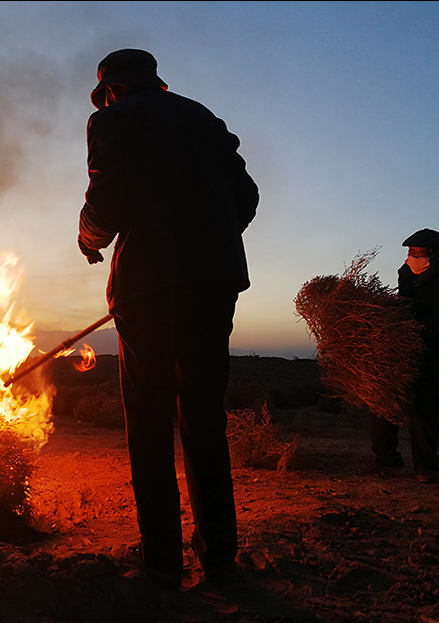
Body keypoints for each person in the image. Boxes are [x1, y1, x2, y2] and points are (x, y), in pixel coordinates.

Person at [77, 49, 258, 589]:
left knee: (150, 422)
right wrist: (207, 241)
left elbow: (104, 198)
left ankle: (161, 560)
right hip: (215, 283)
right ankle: (219, 556)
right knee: (203, 417)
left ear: (111, 90)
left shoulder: (112, 119)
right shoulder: (204, 118)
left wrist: (90, 241)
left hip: (147, 290)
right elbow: (245, 197)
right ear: (155, 81)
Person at [363, 228, 439, 483]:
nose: (412, 257)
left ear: (436, 255)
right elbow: (403, 306)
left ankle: (426, 467)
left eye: (418, 253)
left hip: (435, 357)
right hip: (401, 355)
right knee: (382, 404)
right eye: (410, 252)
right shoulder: (407, 275)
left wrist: (403, 332)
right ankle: (385, 460)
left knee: (422, 412)